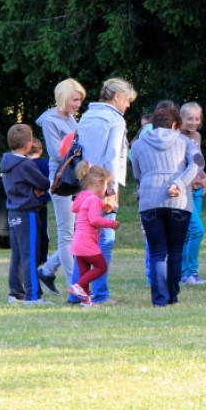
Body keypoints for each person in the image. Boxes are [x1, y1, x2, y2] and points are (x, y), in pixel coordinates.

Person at [68, 77, 136, 305]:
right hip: (101, 185)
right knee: (104, 241)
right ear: (117, 97)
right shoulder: (115, 119)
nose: (128, 106)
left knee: (83, 239)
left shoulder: (86, 116)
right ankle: (99, 294)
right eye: (127, 101)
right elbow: (113, 156)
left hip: (84, 185)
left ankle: (76, 292)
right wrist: (111, 189)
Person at [131, 106, 203, 307]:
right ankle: (172, 296)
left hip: (149, 201)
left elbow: (137, 173)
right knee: (175, 251)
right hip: (179, 202)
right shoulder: (185, 141)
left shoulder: (137, 144)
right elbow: (198, 163)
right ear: (174, 125)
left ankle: (159, 299)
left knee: (157, 252)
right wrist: (180, 183)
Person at [35, 77, 85, 295]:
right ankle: (75, 286)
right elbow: (57, 152)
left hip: (76, 177)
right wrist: (78, 150)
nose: (77, 104)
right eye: (74, 100)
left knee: (75, 233)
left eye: (80, 100)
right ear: (63, 97)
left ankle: (47, 270)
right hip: (62, 181)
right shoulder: (49, 120)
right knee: (66, 234)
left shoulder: (71, 117)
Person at [1, 124, 52, 305]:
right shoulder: (25, 164)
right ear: (29, 144)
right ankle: (33, 295)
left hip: (13, 211)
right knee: (30, 253)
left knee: (18, 254)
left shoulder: (6, 161)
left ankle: (15, 293)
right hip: (27, 212)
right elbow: (44, 183)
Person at [67, 163, 118, 308]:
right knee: (101, 266)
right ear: (99, 182)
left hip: (77, 241)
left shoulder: (83, 195)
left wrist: (101, 204)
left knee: (84, 271)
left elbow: (76, 207)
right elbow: (94, 220)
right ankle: (77, 286)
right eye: (107, 184)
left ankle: (85, 300)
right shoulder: (94, 199)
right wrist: (112, 224)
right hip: (87, 242)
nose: (107, 188)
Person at [179, 102, 206, 286]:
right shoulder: (177, 137)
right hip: (185, 191)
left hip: (198, 190)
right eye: (189, 118)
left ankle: (183, 274)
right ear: (181, 119)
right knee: (197, 230)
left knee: (189, 233)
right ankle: (190, 272)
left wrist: (205, 179)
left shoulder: (197, 135)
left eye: (197, 118)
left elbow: (199, 162)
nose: (194, 122)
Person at [27, 138, 52, 285]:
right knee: (43, 230)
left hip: (29, 203)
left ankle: (34, 257)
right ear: (40, 151)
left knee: (32, 232)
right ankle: (43, 256)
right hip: (42, 203)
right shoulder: (45, 163)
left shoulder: (24, 164)